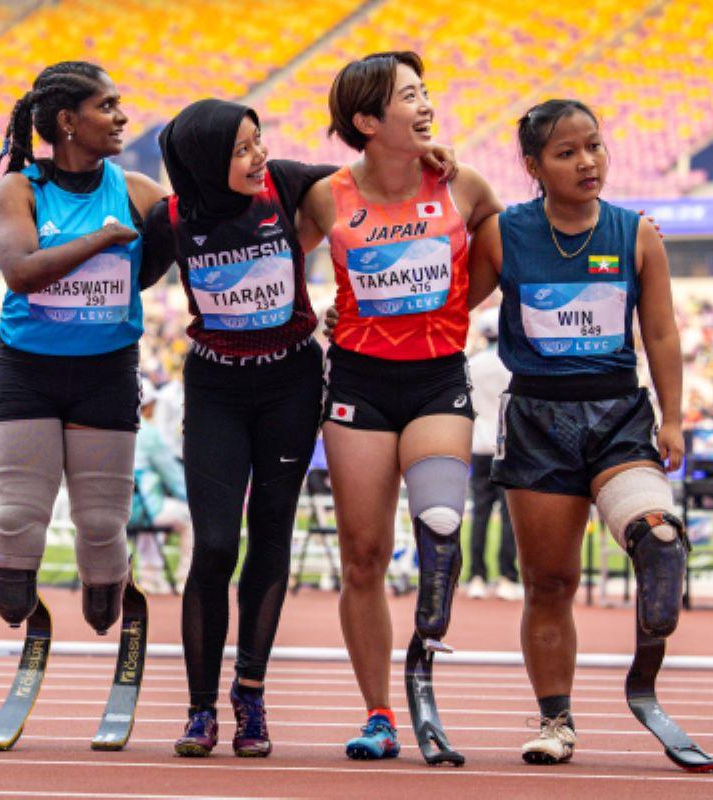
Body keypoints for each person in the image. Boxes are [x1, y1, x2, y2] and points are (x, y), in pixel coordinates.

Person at [146, 97, 459, 759]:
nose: (258, 157)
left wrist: (426, 159)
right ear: (203, 163)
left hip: (289, 384)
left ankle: (250, 696)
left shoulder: (288, 183)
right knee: (212, 547)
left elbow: (371, 178)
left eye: (258, 141)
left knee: (269, 540)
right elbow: (124, 274)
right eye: (240, 150)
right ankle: (201, 709)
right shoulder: (170, 219)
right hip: (216, 391)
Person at [466, 98, 685, 765]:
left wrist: (673, 416)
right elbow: (450, 309)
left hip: (618, 414)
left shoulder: (636, 233)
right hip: (536, 420)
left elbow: (661, 332)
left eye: (594, 145)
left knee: (661, 538)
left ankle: (644, 674)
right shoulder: (504, 233)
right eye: (566, 153)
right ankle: (555, 722)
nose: (588, 162)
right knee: (550, 583)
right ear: (533, 166)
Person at [297, 52, 503, 760]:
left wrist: (440, 315)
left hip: (436, 376)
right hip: (357, 383)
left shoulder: (463, 185)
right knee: (362, 558)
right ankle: (381, 713)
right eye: (408, 97)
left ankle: (429, 646)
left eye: (425, 94)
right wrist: (317, 317)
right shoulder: (326, 196)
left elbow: (507, 257)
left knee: (441, 520)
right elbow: (277, 261)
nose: (425, 106)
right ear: (365, 120)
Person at [0, 61, 165, 635]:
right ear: (66, 121)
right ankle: (19, 599)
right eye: (106, 106)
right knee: (15, 518)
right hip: (27, 370)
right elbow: (21, 273)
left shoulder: (139, 191)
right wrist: (102, 239)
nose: (122, 116)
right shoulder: (20, 189)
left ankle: (108, 589)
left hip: (107, 372)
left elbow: (155, 266)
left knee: (104, 526)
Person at [466, 309, 521, 600]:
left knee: (480, 513)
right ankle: (506, 576)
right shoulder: (512, 366)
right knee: (510, 516)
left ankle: (476, 575)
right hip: (508, 446)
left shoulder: (472, 364)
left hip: (479, 444)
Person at [131, 378, 193, 594]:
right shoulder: (149, 433)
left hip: (110, 512)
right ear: (147, 406)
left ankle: (150, 576)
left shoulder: (111, 430)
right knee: (189, 516)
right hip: (141, 510)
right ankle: (186, 580)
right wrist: (193, 501)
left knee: (151, 509)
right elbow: (174, 479)